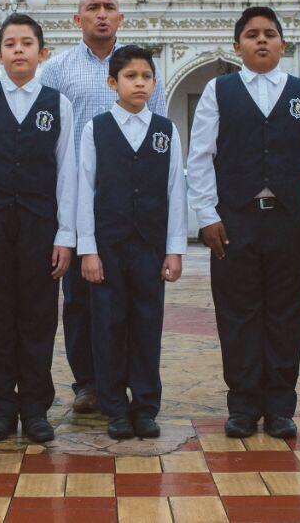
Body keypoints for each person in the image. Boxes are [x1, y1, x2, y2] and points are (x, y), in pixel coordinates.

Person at [187, 5, 300, 439]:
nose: (261, 40)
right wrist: (207, 215)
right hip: (234, 221)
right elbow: (200, 158)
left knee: (286, 314)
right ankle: (242, 405)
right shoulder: (219, 90)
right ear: (237, 46)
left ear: (282, 44)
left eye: (270, 34)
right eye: (252, 34)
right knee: (237, 313)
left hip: (289, 222)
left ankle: (279, 406)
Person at [38, 0, 167, 415]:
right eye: (92, 8)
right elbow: (47, 135)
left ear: (121, 17)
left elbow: (159, 133)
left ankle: (129, 378)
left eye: (109, 7)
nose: (101, 15)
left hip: (130, 202)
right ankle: (89, 382)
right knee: (79, 297)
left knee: (130, 296)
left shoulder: (142, 70)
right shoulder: (56, 70)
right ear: (78, 20)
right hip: (76, 199)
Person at [0, 13, 75, 444]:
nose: (19, 50)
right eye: (10, 43)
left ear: (42, 53)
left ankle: (36, 408)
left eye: (27, 43)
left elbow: (67, 172)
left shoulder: (57, 103)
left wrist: (66, 234)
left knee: (39, 315)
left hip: (41, 224)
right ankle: (2, 407)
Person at [77, 45, 186, 441]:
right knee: (108, 325)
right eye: (130, 76)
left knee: (146, 324)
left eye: (146, 77)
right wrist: (87, 249)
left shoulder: (165, 130)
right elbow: (84, 189)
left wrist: (174, 248)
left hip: (150, 246)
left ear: (154, 83)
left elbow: (176, 189)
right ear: (113, 83)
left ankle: (145, 406)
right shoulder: (96, 128)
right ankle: (115, 407)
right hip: (107, 245)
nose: (139, 83)